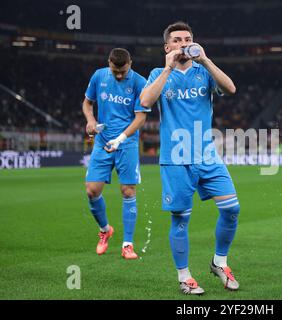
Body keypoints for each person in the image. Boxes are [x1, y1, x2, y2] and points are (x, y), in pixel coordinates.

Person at [140, 21, 240, 295]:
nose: (183, 43)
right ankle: (184, 276)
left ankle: (219, 262)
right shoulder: (159, 73)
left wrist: (206, 60)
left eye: (187, 39)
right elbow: (146, 101)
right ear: (167, 46)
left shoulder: (203, 71)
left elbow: (231, 88)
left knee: (232, 209)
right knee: (180, 220)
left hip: (208, 155)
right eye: (177, 40)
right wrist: (168, 67)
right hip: (176, 158)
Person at [82, 48, 149, 260]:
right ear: (109, 63)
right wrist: (91, 121)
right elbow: (87, 103)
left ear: (130, 62)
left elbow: (140, 118)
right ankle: (105, 230)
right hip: (102, 141)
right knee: (92, 190)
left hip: (127, 142)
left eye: (123, 71)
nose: (119, 75)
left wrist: (120, 138)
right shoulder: (99, 75)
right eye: (115, 71)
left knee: (128, 191)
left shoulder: (140, 82)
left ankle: (127, 244)